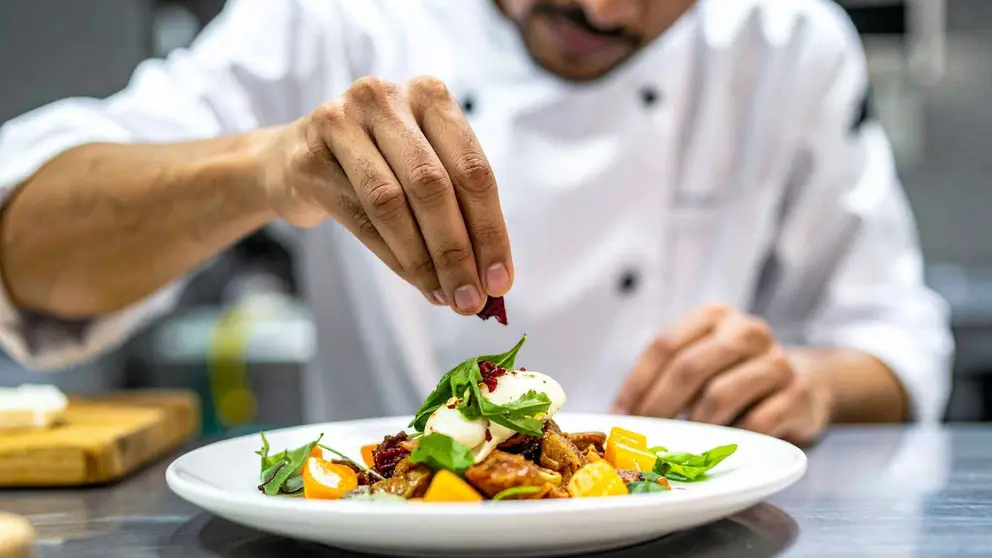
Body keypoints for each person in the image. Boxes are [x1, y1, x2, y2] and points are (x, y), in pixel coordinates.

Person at [0, 0, 952, 444]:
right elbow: (24, 247)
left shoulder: (787, 42)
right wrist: (264, 167)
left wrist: (808, 383)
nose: (602, 8)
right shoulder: (329, 17)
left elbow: (897, 340)